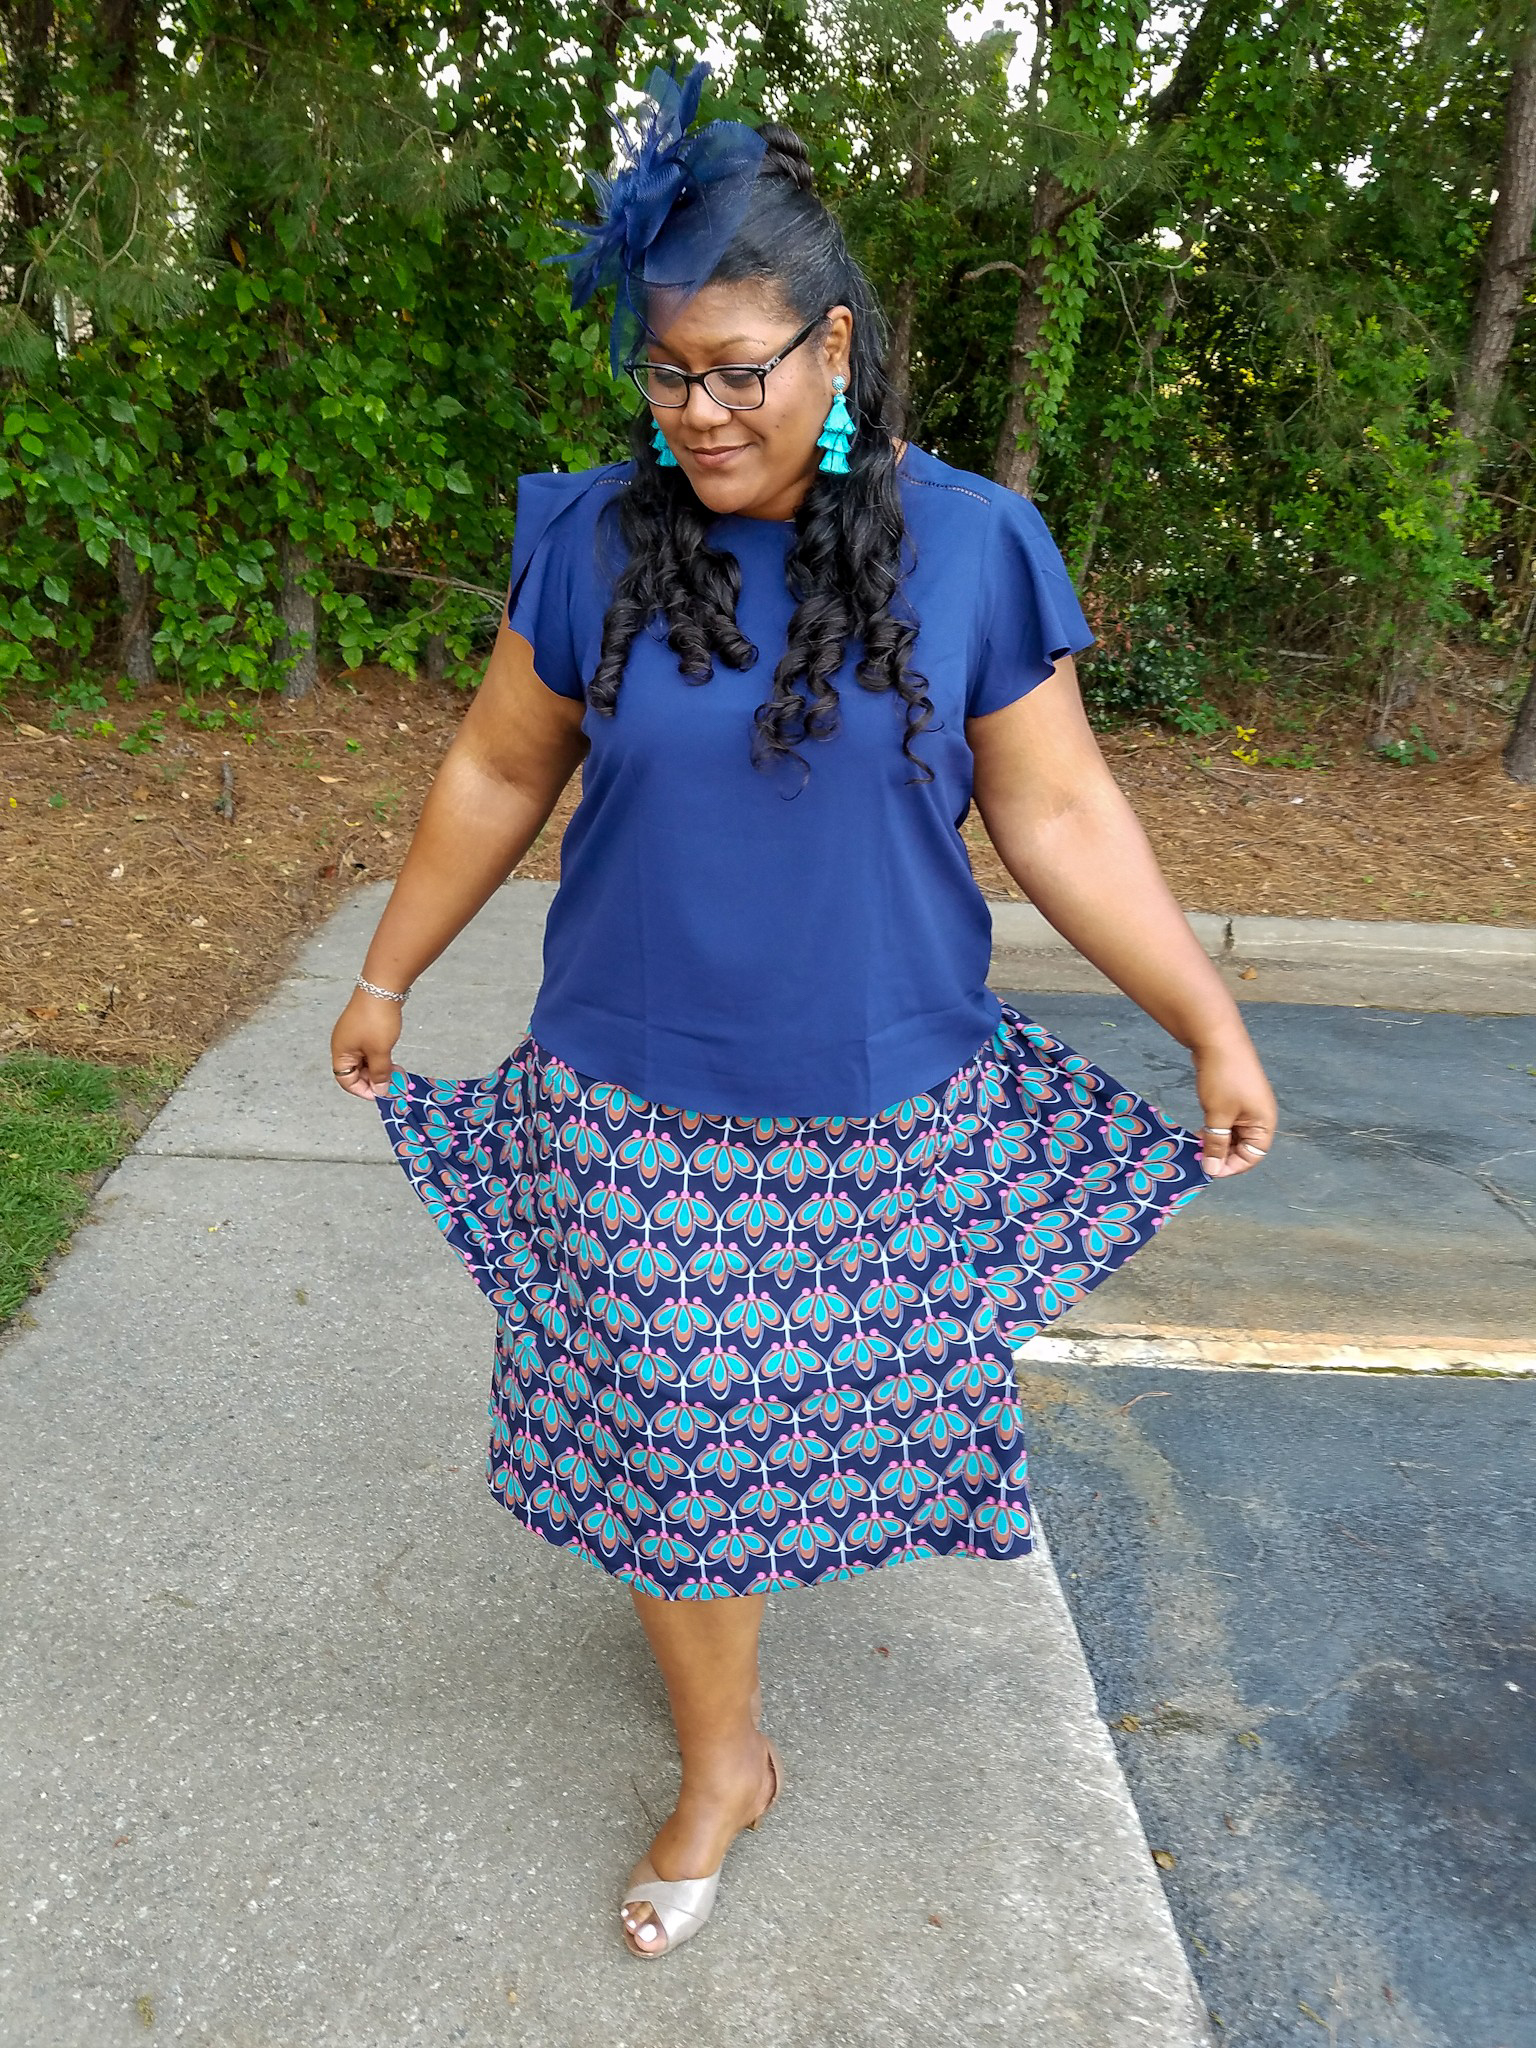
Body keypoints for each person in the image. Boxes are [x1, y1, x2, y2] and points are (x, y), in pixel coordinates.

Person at [328, 64, 1278, 1962]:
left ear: (834, 347)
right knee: (676, 1433)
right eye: (667, 371)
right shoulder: (595, 537)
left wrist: (1208, 1020)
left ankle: (728, 1686)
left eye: (740, 368)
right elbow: (498, 775)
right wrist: (388, 968)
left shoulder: (974, 543)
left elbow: (1062, 807)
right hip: (629, 1088)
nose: (699, 411)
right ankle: (723, 1757)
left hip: (876, 1098)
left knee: (782, 1430)